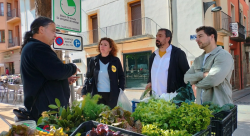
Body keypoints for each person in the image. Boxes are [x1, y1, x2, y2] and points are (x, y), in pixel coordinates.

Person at [20, 16, 80, 121]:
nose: (55, 35)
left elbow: (45, 75)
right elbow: (57, 71)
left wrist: (64, 80)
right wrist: (73, 67)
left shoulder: (33, 47)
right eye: (53, 31)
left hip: (44, 108)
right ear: (41, 29)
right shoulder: (37, 48)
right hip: (46, 111)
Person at [184, 26, 234, 106]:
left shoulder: (223, 56)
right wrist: (203, 75)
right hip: (201, 110)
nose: (197, 40)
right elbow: (186, 79)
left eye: (200, 36)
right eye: (196, 37)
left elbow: (213, 80)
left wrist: (196, 84)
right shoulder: (198, 60)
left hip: (220, 110)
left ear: (211, 37)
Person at [81, 37, 125, 109]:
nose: (102, 46)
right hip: (97, 95)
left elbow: (121, 76)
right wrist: (84, 92)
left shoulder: (115, 61)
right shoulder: (93, 60)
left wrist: (121, 89)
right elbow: (88, 77)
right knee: (98, 116)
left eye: (105, 45)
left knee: (110, 116)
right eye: (101, 44)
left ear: (110, 48)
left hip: (112, 95)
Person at [145, 28, 189, 96]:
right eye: (156, 36)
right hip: (155, 98)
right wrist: (149, 82)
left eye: (160, 36)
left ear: (168, 38)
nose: (157, 38)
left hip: (172, 99)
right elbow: (151, 73)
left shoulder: (178, 54)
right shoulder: (153, 56)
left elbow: (187, 74)